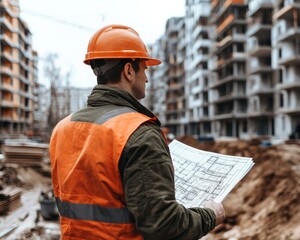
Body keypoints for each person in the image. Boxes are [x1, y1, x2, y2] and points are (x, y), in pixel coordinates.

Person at [49, 24, 225, 240]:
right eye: (145, 69)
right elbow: (163, 225)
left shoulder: (63, 128)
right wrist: (210, 216)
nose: (147, 78)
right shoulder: (138, 132)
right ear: (129, 71)